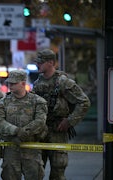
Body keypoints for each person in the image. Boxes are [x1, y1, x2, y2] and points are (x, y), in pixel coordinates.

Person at [32, 49, 91, 180]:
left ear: (51, 63)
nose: (37, 65)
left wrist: (69, 121)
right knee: (35, 171)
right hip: (40, 131)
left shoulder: (63, 82)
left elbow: (84, 102)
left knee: (58, 172)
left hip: (57, 132)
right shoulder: (37, 83)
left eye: (40, 62)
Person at [0, 69, 48, 180]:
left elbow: (40, 121)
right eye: (9, 83)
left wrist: (25, 131)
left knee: (35, 176)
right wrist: (16, 131)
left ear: (23, 83)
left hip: (32, 149)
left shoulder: (38, 101)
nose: (10, 86)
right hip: (11, 149)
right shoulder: (3, 102)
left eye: (14, 83)